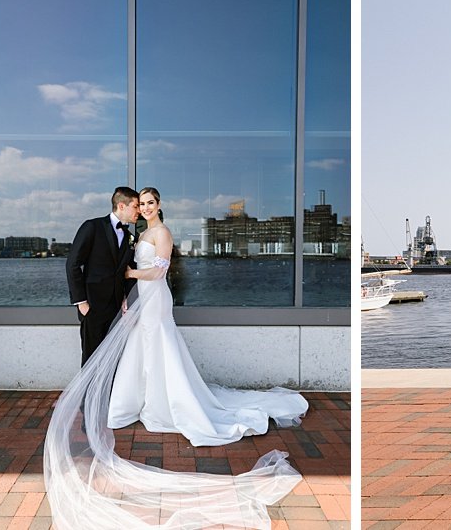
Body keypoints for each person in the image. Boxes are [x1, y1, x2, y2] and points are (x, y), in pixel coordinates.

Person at [44, 187, 309, 528]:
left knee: (158, 350)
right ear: (126, 206)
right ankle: (109, 403)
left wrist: (129, 279)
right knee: (126, 351)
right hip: (123, 303)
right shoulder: (115, 230)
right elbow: (75, 263)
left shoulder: (162, 233)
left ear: (158, 206)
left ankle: (161, 403)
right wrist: (97, 298)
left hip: (154, 299)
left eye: (149, 203)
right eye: (140, 204)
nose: (143, 209)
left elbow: (157, 271)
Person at [66, 186, 140, 365]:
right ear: (122, 206)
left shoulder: (130, 237)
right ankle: (89, 394)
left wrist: (126, 300)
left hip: (116, 308)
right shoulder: (92, 226)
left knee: (112, 359)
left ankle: (108, 394)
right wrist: (82, 303)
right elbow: (73, 264)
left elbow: (128, 272)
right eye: (136, 206)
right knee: (91, 358)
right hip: (92, 305)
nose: (139, 211)